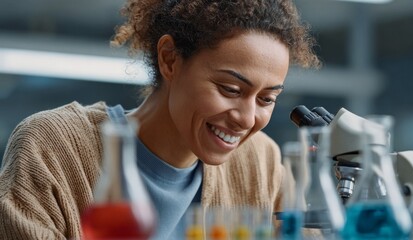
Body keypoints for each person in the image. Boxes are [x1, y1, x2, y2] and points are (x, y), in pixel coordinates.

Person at [0, 0, 319, 239]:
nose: (247, 118)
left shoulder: (260, 163)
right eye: (230, 89)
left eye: (267, 99)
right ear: (170, 59)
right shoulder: (52, 147)